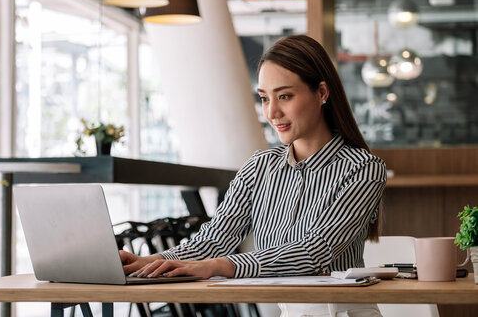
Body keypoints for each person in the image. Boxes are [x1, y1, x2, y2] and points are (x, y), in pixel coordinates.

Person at [120, 35, 386, 317]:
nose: (272, 112)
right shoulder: (259, 167)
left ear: (321, 92)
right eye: (264, 98)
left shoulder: (363, 168)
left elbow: (315, 251)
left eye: (284, 96)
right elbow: (213, 240)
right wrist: (149, 262)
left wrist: (220, 266)